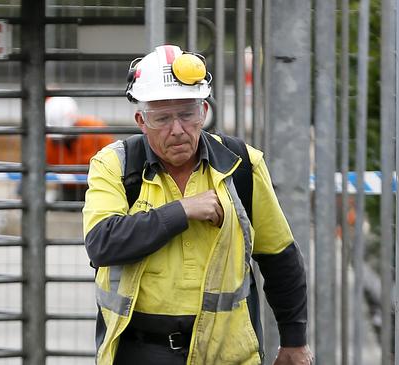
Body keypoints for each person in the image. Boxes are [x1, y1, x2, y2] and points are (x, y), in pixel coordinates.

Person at [83, 45, 313, 364]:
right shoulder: (114, 165)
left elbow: (280, 257)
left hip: (226, 353)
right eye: (162, 118)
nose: (177, 130)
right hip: (141, 351)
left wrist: (294, 341)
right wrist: (184, 210)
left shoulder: (242, 165)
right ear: (141, 120)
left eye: (187, 115)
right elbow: (102, 243)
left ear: (203, 111)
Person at [45, 96, 114, 201]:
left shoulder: (96, 131)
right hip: (67, 188)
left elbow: (112, 164)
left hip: (99, 186)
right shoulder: (47, 142)